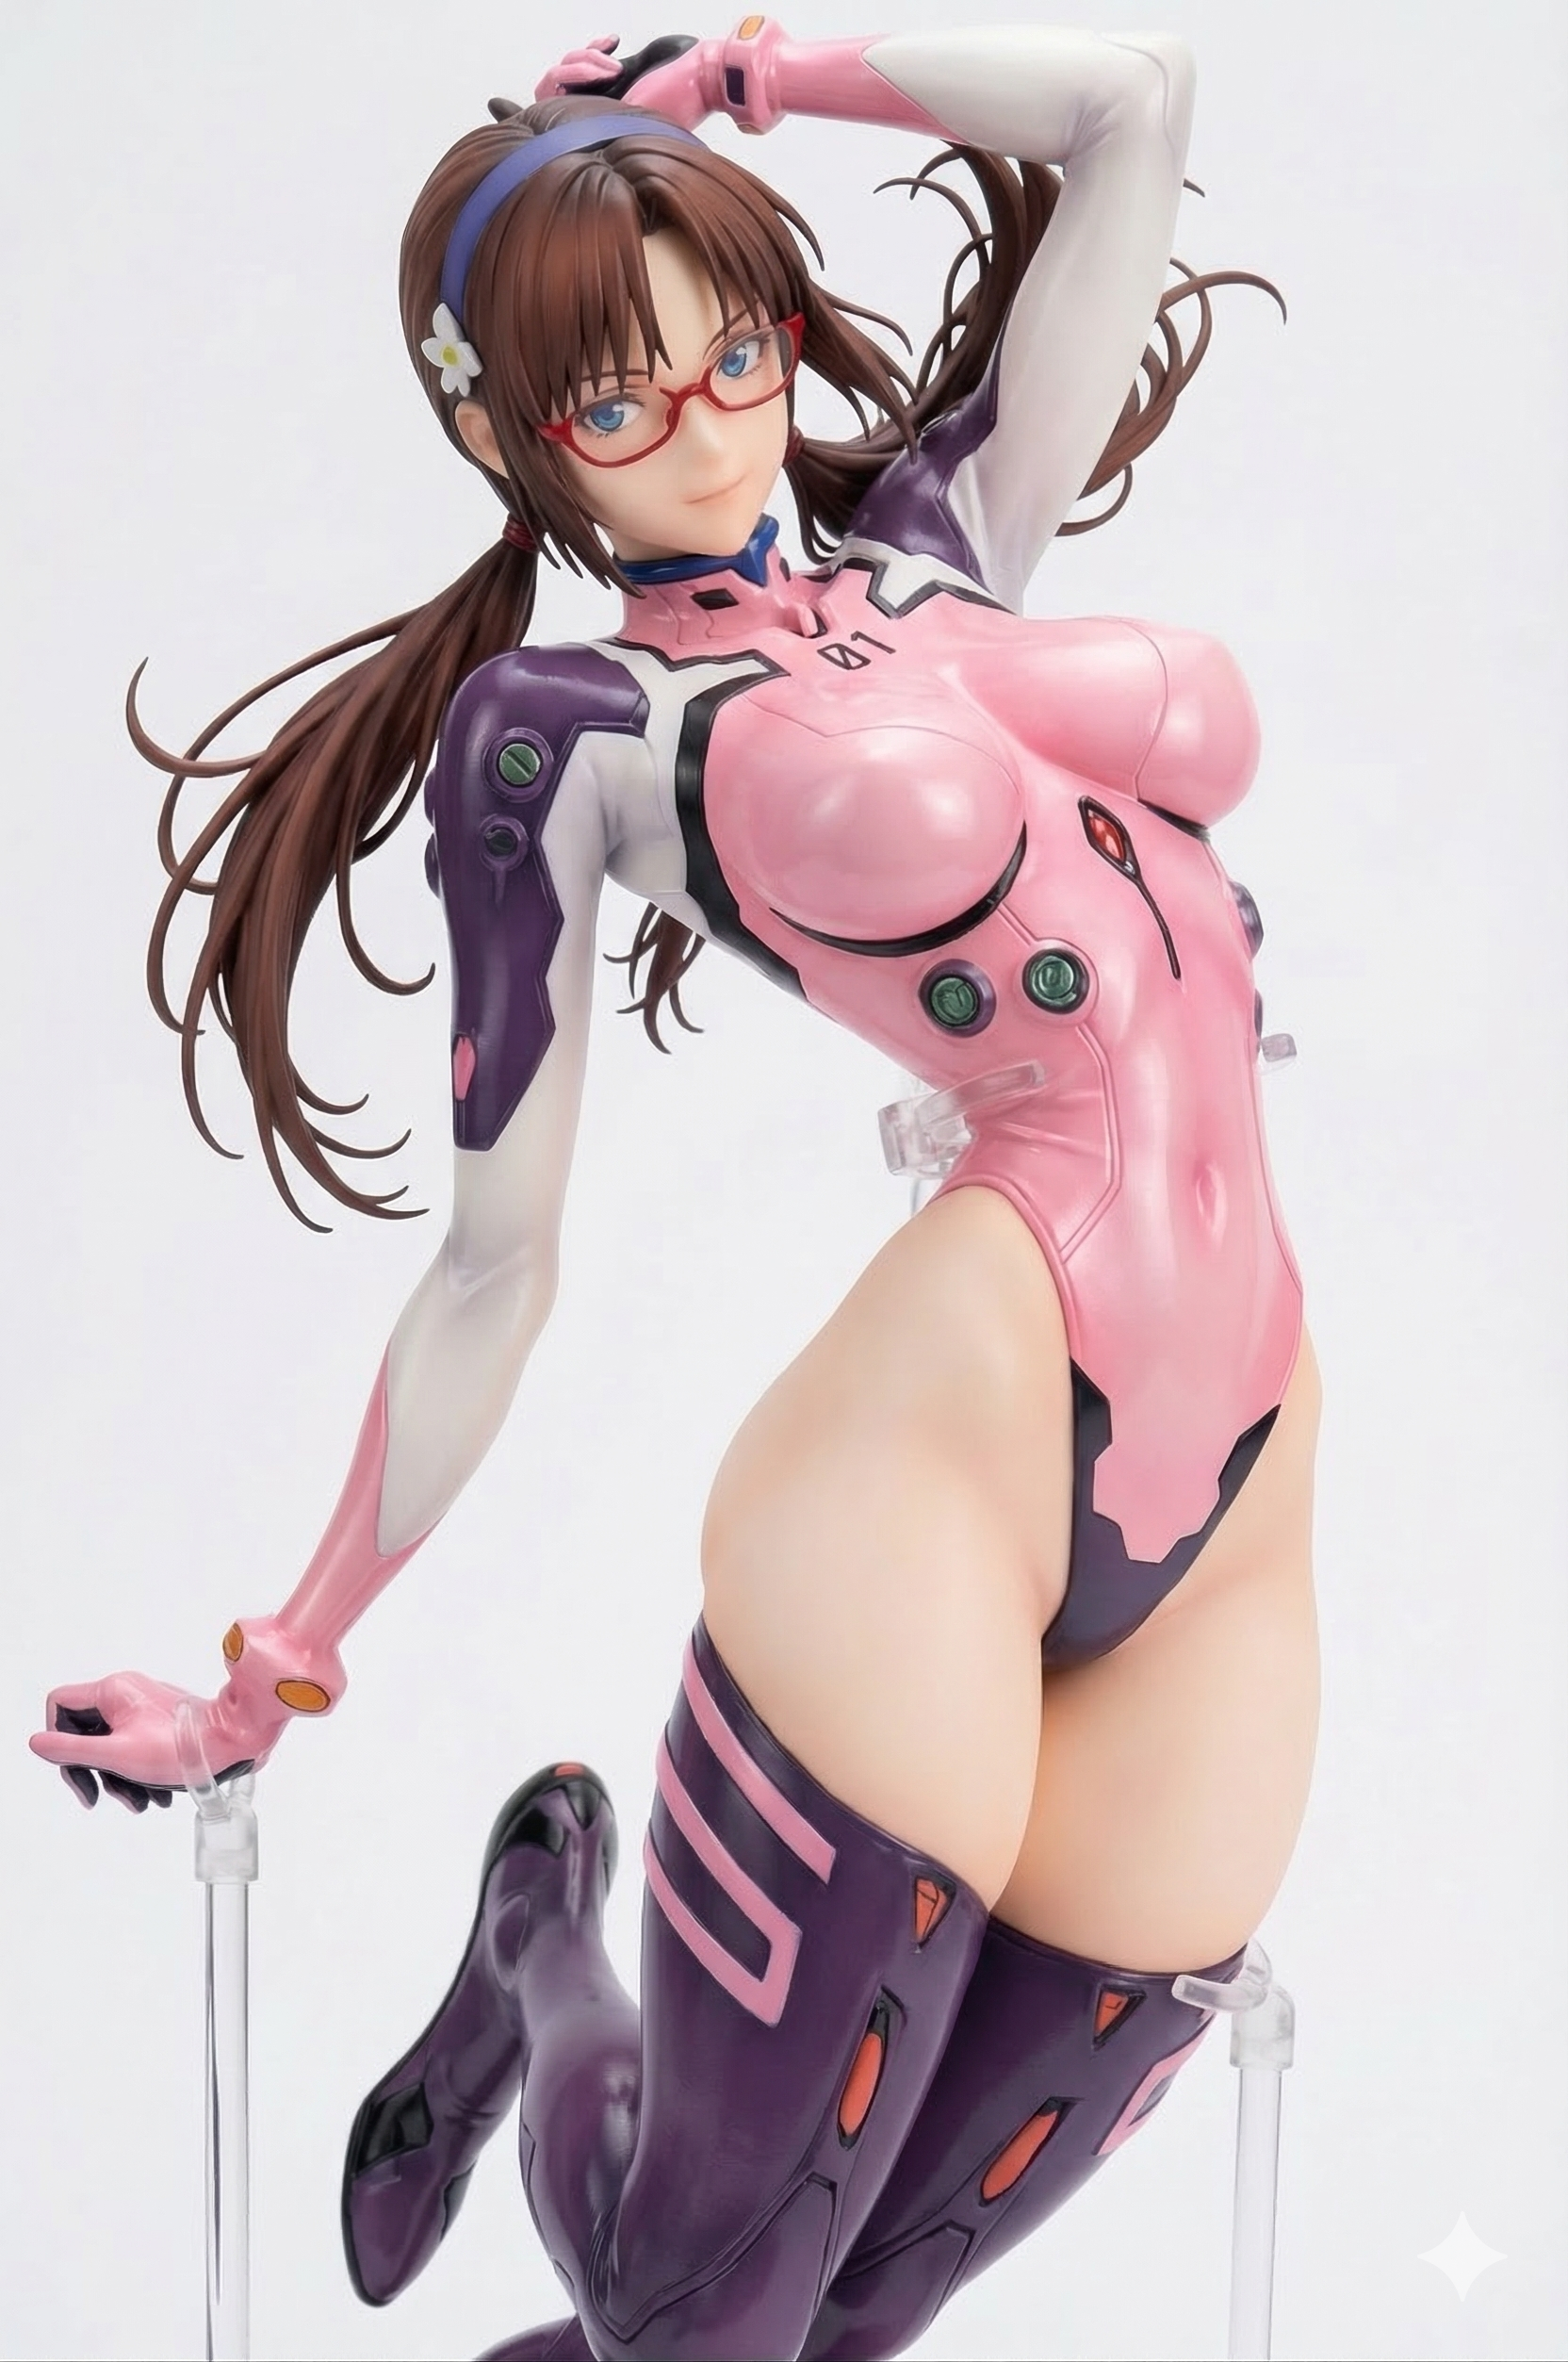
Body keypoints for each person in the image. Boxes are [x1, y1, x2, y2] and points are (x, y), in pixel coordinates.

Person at [31, 23, 1320, 2360]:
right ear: (513, 440)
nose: (717, 423)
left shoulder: (945, 541)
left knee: (842, 2314)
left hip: (1238, 1466)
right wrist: (273, 1662)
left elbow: (1132, 99)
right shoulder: (570, 737)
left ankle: (530, 1959)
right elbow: (494, 1258)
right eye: (621, 402)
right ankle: (547, 1945)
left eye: (737, 347)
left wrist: (763, 69)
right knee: (708, 2319)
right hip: (948, 1436)